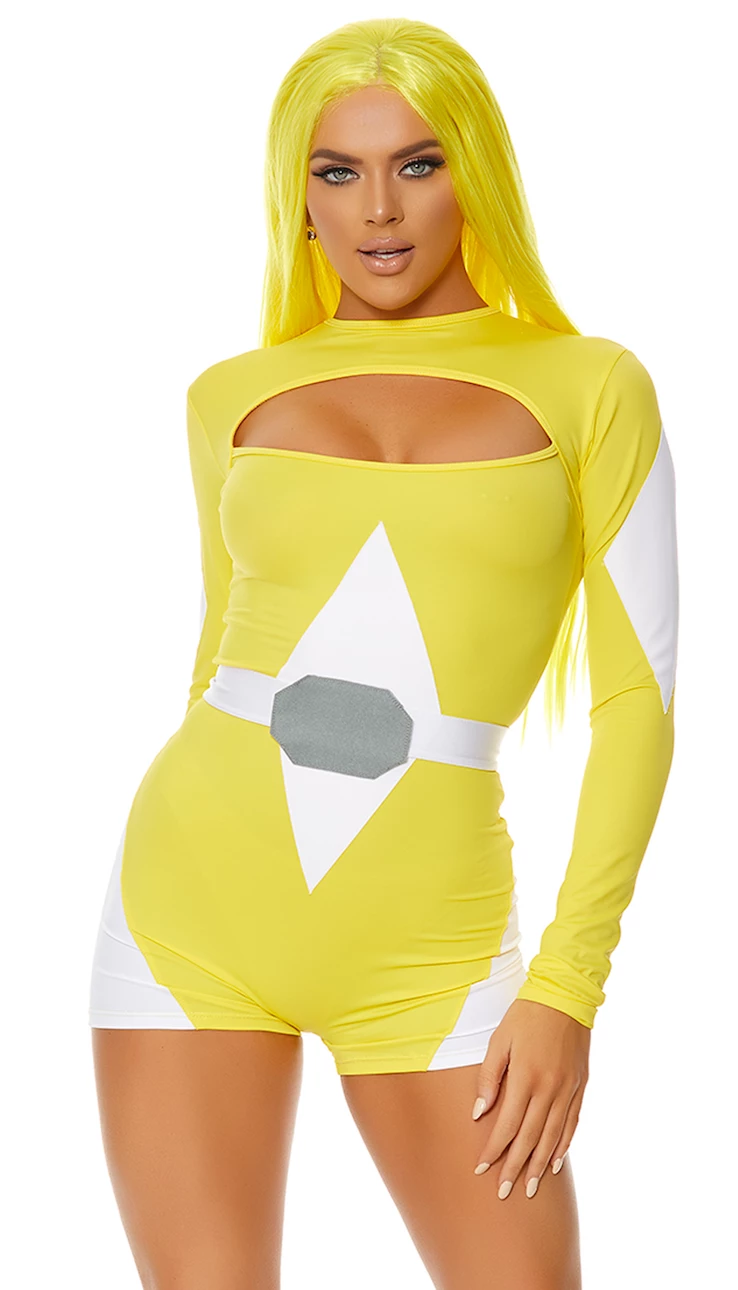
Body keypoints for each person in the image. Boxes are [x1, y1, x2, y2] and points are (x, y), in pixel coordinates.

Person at [88, 16, 678, 1290]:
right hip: (189, 910)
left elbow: (636, 700)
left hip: (435, 941)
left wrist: (568, 986)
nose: (379, 210)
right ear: (297, 197)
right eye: (336, 171)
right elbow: (213, 657)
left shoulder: (590, 384)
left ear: (476, 174)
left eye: (418, 163)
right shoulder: (228, 394)